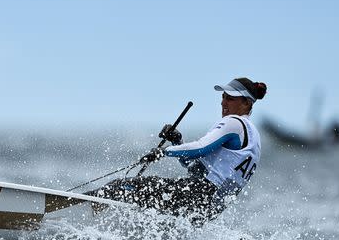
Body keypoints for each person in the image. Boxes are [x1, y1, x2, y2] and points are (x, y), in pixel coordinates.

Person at [92, 77, 267, 224]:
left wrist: (164, 151)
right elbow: (197, 169)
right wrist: (178, 141)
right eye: (223, 96)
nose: (223, 102)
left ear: (246, 103)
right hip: (210, 208)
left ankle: (94, 212)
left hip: (198, 194)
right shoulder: (254, 139)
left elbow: (200, 148)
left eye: (230, 98)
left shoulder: (234, 123)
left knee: (121, 187)